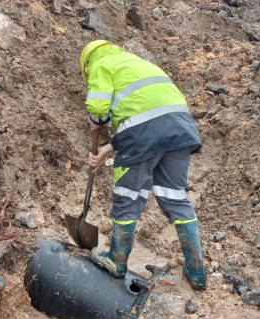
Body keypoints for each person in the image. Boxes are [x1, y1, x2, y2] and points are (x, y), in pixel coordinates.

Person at [80, 39, 207, 290]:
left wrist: (97, 119)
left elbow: (98, 107)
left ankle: (117, 260)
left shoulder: (101, 64)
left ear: (87, 64)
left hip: (145, 135)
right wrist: (108, 148)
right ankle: (196, 271)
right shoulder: (138, 64)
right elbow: (147, 114)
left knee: (127, 196)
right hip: (180, 130)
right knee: (175, 198)